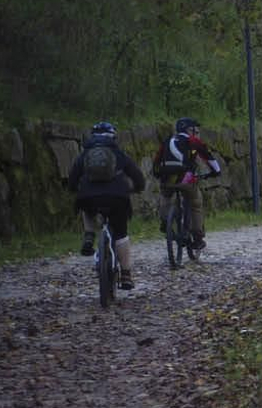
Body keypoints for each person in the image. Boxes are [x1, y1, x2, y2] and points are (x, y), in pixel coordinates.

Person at [68, 121, 147, 290]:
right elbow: (137, 176)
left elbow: (72, 179)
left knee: (86, 207)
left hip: (89, 196)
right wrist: (137, 188)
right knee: (121, 234)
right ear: (113, 136)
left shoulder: (84, 153)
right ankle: (126, 275)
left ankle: (89, 235)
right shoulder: (119, 153)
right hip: (117, 197)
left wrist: (76, 190)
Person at [152, 117, 222, 250]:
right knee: (196, 203)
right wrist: (216, 171)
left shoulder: (167, 141)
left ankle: (165, 222)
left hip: (167, 179)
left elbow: (156, 161)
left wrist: (157, 175)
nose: (196, 132)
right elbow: (207, 156)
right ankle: (197, 237)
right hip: (186, 179)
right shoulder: (192, 141)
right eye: (195, 130)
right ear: (189, 130)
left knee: (166, 197)